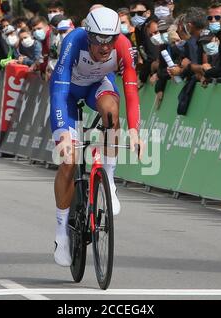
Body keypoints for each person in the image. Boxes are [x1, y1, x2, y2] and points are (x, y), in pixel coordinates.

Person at [50, 7, 142, 266]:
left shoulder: (122, 45)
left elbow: (131, 89)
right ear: (89, 36)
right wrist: (63, 135)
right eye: (99, 39)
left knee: (112, 113)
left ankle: (109, 181)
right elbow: (58, 92)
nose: (105, 46)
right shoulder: (73, 41)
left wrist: (134, 129)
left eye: (110, 39)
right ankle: (61, 234)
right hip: (67, 94)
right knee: (68, 160)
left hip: (97, 86)